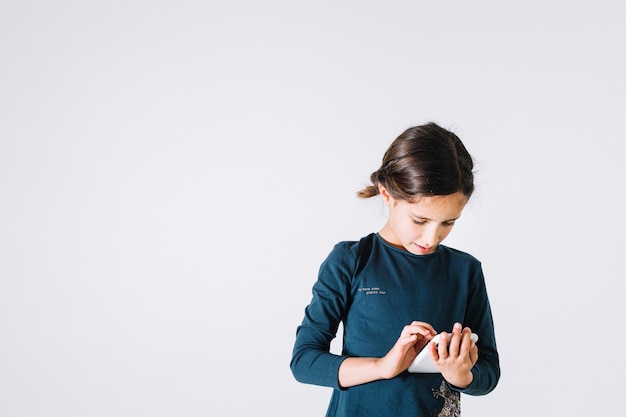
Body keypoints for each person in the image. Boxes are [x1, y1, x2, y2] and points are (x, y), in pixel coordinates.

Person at [290, 122, 500, 417]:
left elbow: (489, 371)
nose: (431, 238)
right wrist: (382, 366)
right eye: (420, 220)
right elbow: (304, 362)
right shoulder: (350, 260)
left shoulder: (465, 270)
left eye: (448, 223)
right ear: (387, 195)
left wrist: (461, 375)